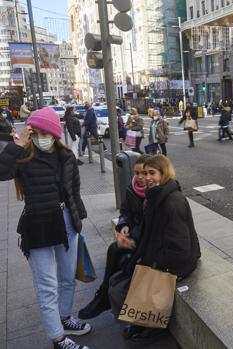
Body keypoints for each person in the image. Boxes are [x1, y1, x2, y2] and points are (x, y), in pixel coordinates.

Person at [0, 108, 91, 349]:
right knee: (47, 285)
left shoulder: (67, 157)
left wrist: (78, 220)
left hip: (66, 220)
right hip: (38, 223)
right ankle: (58, 338)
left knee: (67, 277)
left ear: (53, 133)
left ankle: (64, 318)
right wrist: (17, 144)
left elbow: (74, 192)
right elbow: (1, 172)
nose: (40, 136)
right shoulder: (23, 155)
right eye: (35, 132)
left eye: (44, 132)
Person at [109, 155, 201, 345]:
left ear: (164, 173)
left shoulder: (172, 202)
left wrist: (152, 262)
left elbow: (179, 250)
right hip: (161, 256)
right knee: (119, 278)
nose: (147, 178)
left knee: (126, 284)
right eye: (144, 173)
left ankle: (152, 326)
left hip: (176, 263)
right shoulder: (156, 196)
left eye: (152, 173)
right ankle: (140, 322)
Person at [78, 155, 151, 321]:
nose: (140, 177)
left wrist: (132, 238)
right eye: (137, 172)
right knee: (115, 250)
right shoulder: (131, 189)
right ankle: (104, 296)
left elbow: (151, 225)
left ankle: (103, 297)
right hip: (137, 234)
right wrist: (124, 226)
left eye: (144, 173)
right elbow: (126, 213)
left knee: (117, 252)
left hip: (147, 239)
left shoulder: (153, 191)